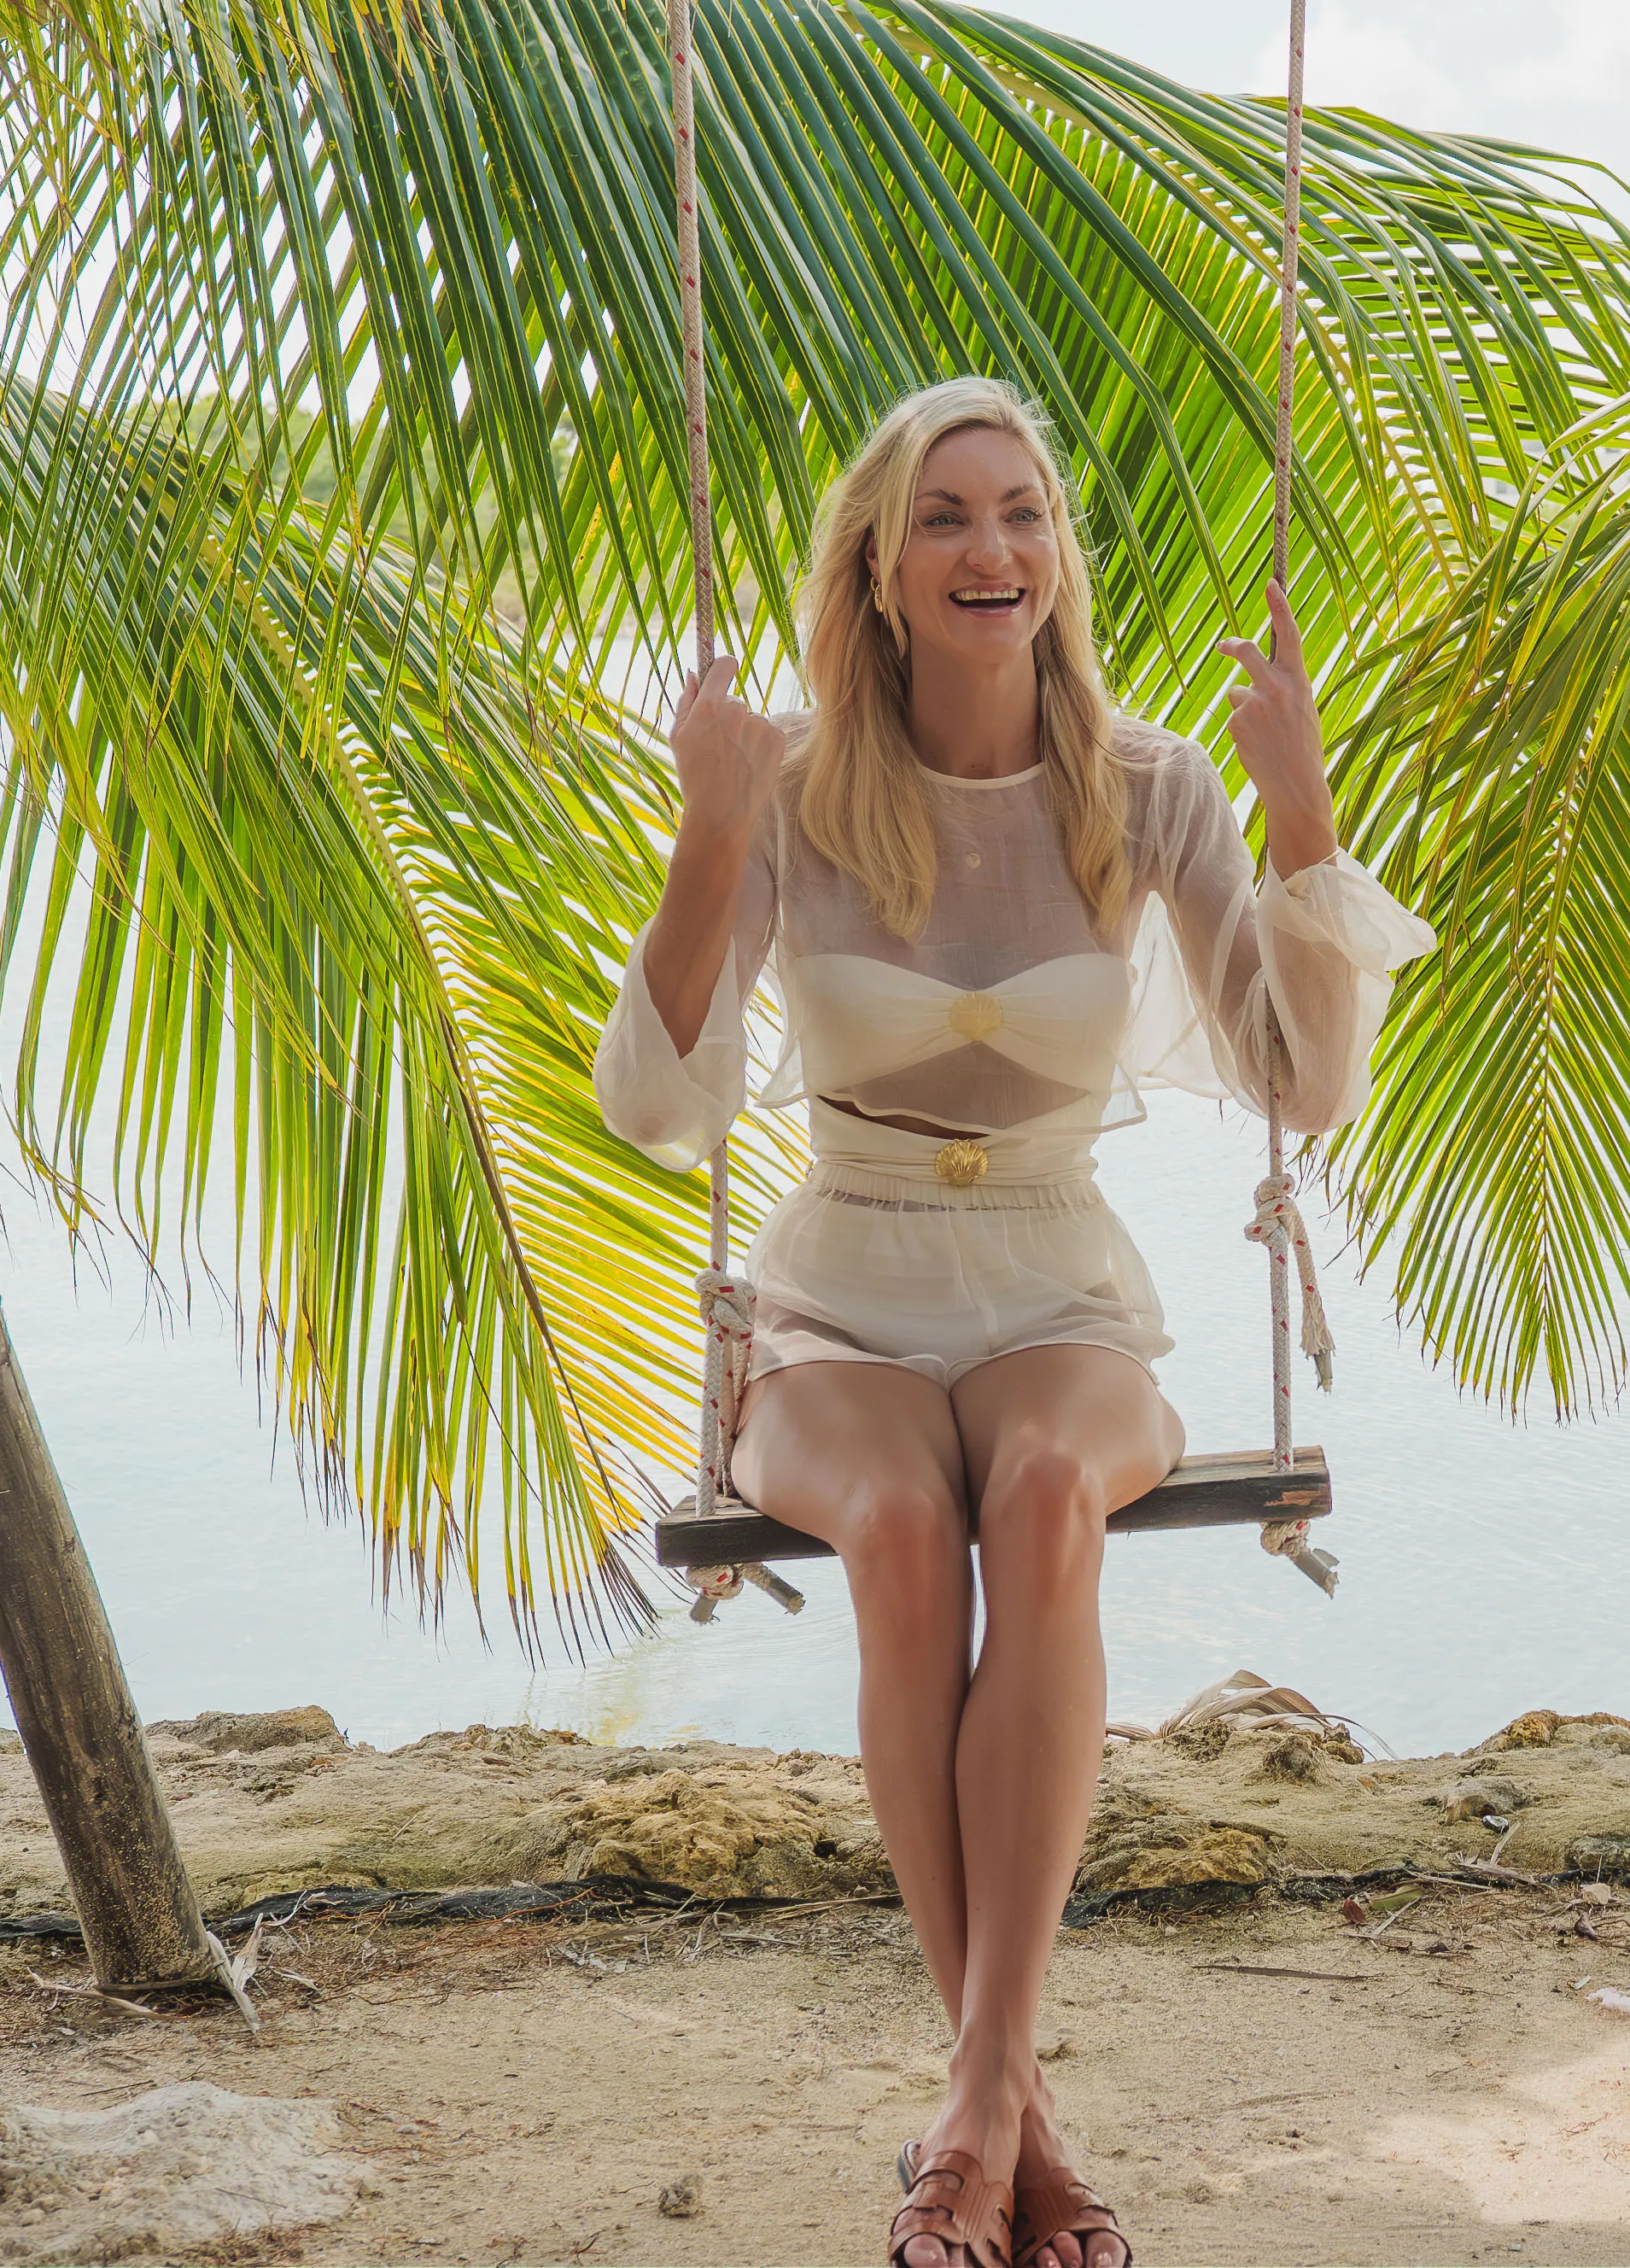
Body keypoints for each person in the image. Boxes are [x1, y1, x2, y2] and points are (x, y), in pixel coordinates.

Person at [596, 376, 1433, 2268]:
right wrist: (705, 836)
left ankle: (974, 2101)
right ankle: (1019, 2115)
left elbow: (1304, 1084)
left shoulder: (1144, 787)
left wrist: (1298, 800)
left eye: (1025, 513)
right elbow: (660, 1113)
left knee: (1042, 1496)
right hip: (837, 1293)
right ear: (880, 568)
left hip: (1058, 1280)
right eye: (950, 517)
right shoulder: (799, 790)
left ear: (1062, 556)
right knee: (907, 1527)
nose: (994, 548)